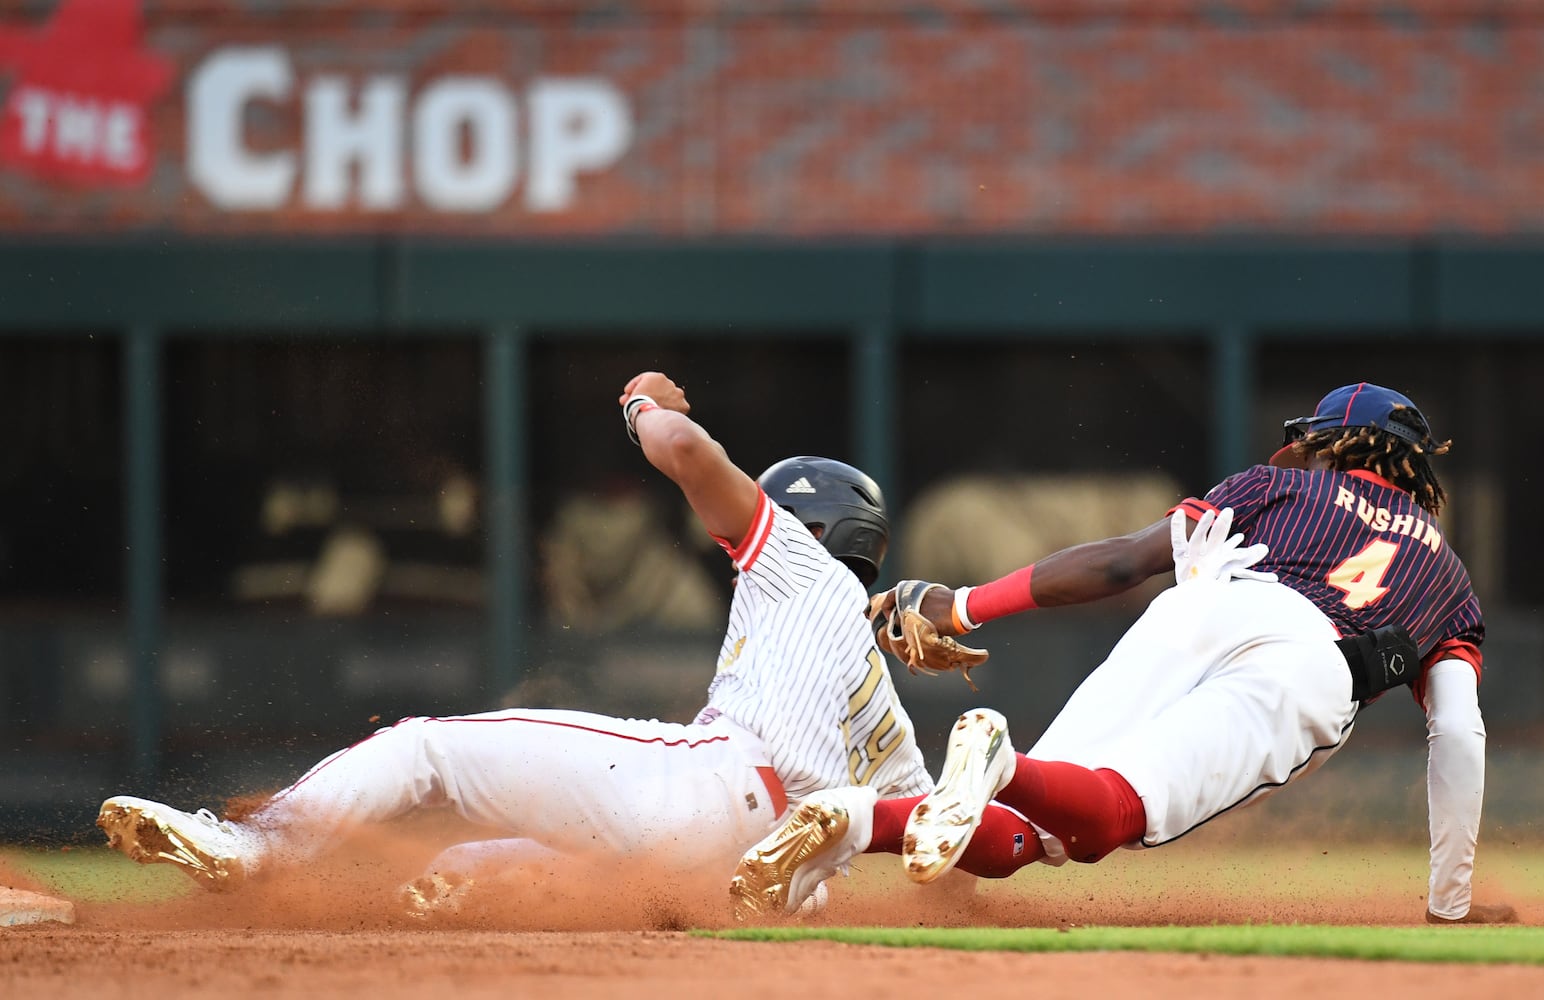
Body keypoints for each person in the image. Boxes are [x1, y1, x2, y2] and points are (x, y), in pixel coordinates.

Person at [97, 371, 934, 914]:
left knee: (426, 749)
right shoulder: (872, 680)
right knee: (488, 859)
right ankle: (450, 893)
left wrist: (646, 404)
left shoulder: (791, 560)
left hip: (711, 785)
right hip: (747, 878)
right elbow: (937, 831)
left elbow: (682, 450)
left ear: (809, 525)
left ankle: (255, 846)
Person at [732, 382, 1516, 925]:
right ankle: (999, 758)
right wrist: (1449, 904)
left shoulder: (1268, 489)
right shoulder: (1449, 582)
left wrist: (961, 604)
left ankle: (852, 819)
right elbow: (1458, 733)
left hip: (1204, 599)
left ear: (1333, 445)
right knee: (1105, 818)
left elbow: (1120, 563)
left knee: (1018, 836)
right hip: (1307, 666)